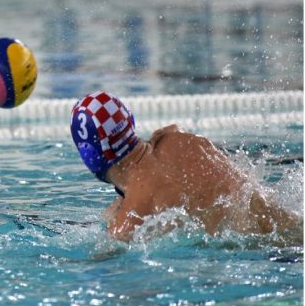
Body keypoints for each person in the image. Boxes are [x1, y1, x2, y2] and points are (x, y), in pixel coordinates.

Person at [70, 91, 301, 242]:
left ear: (90, 155)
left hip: (268, 255)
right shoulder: (179, 139)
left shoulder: (128, 224)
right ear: (130, 122)